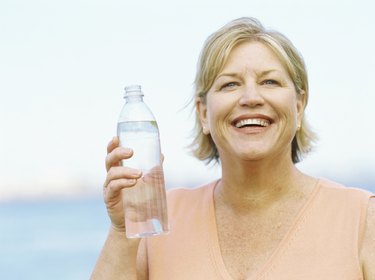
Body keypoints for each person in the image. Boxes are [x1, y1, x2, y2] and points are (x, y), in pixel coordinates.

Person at [91, 17, 375, 280]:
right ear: (203, 113)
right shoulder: (160, 221)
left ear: (299, 107)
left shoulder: (362, 219)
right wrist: (121, 230)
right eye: (230, 85)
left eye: (269, 81)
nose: (251, 97)